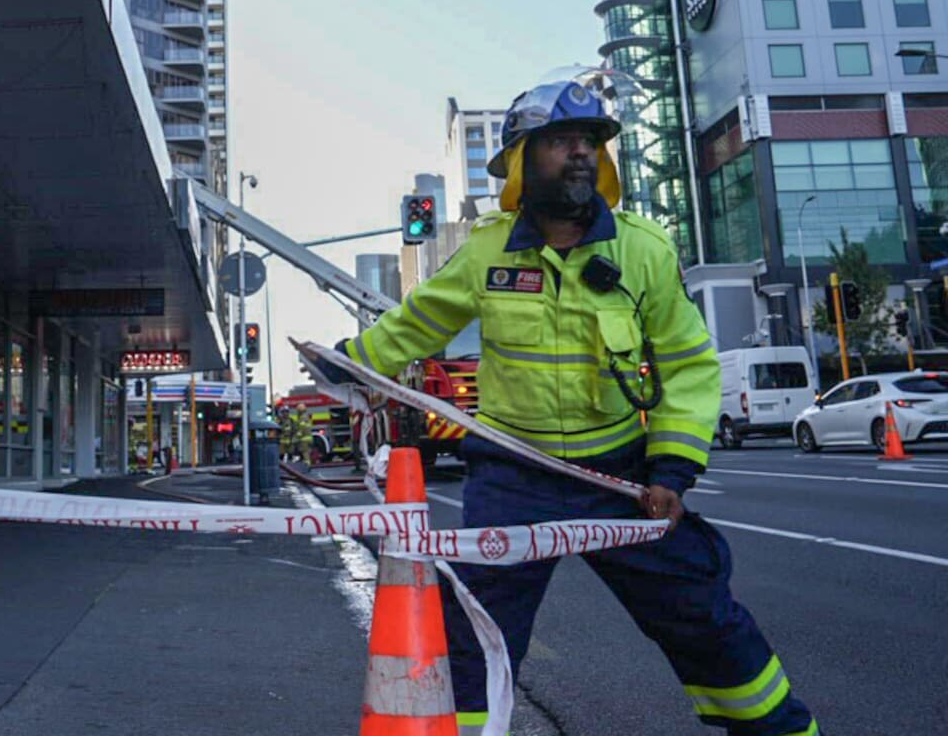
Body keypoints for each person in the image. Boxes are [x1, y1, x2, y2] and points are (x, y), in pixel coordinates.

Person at [322, 69, 821, 736]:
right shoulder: (486, 252)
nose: (582, 151)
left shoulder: (643, 250)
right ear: (522, 161)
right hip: (512, 474)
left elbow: (688, 364)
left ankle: (782, 729)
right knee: (474, 628)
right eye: (562, 140)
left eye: (590, 139)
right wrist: (349, 362)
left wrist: (672, 470)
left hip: (618, 475)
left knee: (699, 612)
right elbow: (419, 323)